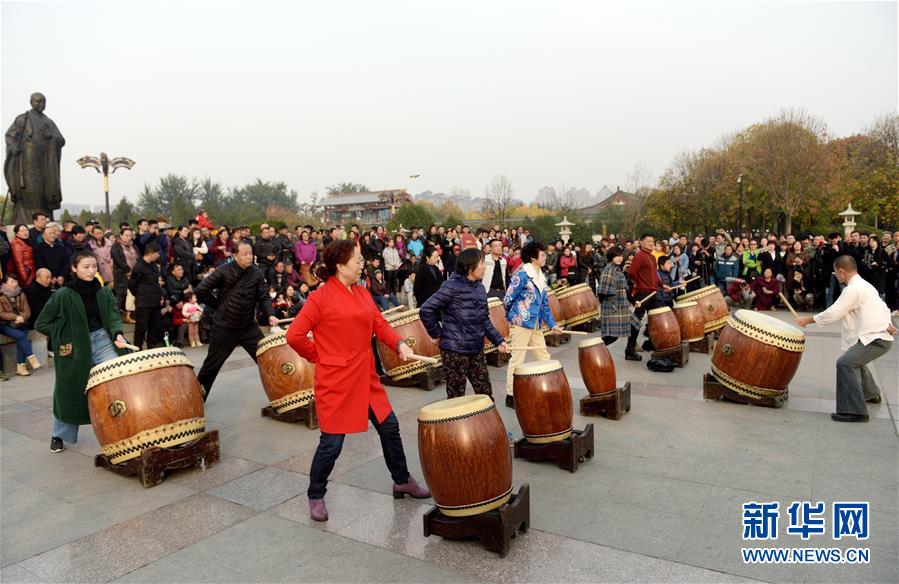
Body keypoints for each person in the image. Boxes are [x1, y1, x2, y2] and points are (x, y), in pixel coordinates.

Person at [285, 240, 430, 522]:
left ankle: (401, 480)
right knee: (332, 444)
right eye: (357, 260)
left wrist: (399, 344)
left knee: (390, 427)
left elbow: (380, 324)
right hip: (336, 381)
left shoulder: (363, 293)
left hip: (365, 376)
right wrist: (321, 355)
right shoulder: (320, 297)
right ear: (340, 266)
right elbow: (295, 336)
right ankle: (316, 493)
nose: (362, 263)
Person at [35, 251, 130, 452]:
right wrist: (64, 334)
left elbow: (113, 316)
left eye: (94, 266)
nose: (91, 270)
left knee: (119, 379)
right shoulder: (62, 295)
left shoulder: (104, 292)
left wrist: (118, 334)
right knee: (69, 392)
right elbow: (41, 323)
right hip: (75, 348)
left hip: (103, 341)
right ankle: (59, 436)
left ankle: (123, 427)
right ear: (74, 268)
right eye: (86, 267)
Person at [795, 255, 896, 422]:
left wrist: (807, 320)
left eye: (836, 273)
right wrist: (888, 324)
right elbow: (883, 308)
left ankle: (855, 411)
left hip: (876, 338)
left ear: (842, 271)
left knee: (846, 363)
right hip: (876, 335)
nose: (837, 276)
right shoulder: (865, 285)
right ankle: (871, 394)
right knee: (854, 359)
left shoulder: (853, 289)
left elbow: (834, 312)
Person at [420, 248, 510, 399]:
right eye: (481, 263)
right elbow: (426, 309)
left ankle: (484, 423)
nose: (484, 266)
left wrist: (498, 340)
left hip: (476, 349)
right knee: (456, 398)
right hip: (454, 351)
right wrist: (436, 334)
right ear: (469, 266)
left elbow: (484, 320)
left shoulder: (480, 288)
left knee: (485, 394)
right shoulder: (451, 286)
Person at [195, 241, 279, 400]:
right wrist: (218, 305)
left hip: (248, 326)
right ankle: (197, 398)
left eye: (251, 253)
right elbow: (201, 290)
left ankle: (281, 392)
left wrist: (270, 314)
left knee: (266, 358)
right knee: (211, 365)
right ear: (235, 255)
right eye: (245, 254)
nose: (249, 257)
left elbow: (264, 296)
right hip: (225, 327)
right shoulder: (223, 271)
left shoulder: (257, 273)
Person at [504, 241, 563, 408]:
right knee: (517, 359)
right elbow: (508, 299)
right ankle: (511, 395)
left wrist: (552, 325)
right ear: (533, 257)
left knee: (543, 355)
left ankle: (550, 386)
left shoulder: (540, 275)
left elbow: (545, 304)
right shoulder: (521, 275)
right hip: (522, 323)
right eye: (542, 254)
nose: (545, 256)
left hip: (535, 323)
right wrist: (514, 317)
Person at [596, 247, 642, 360]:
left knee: (635, 325)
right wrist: (607, 307)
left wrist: (633, 300)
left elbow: (624, 289)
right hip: (613, 307)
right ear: (611, 257)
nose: (620, 258)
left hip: (622, 305)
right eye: (617, 256)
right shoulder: (608, 271)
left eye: (621, 256)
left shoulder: (617, 269)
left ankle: (630, 351)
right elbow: (602, 293)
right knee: (612, 337)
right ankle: (594, 350)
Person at [626, 233, 667, 352]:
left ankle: (651, 342)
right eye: (648, 241)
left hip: (653, 292)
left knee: (655, 318)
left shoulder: (652, 257)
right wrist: (640, 282)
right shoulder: (639, 256)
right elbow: (632, 272)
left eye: (652, 241)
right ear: (641, 242)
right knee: (637, 320)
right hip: (643, 292)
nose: (651, 243)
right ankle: (631, 347)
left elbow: (654, 274)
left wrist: (662, 284)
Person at [1, 274, 41, 376]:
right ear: (4, 284)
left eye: (16, 281)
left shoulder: (21, 294)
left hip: (20, 323)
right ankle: (31, 357)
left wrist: (22, 317)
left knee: (21, 339)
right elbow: (1, 313)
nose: (15, 284)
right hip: (4, 324)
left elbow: (27, 310)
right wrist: (15, 317)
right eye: (12, 282)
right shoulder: (1, 296)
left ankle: (21, 366)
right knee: (21, 336)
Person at [128, 243, 163, 349]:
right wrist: (140, 294)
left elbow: (156, 282)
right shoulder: (138, 267)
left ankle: (151, 347)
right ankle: (138, 348)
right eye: (157, 253)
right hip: (143, 302)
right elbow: (132, 285)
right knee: (141, 327)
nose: (158, 255)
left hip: (155, 301)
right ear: (151, 253)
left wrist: (160, 296)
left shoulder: (153, 265)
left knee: (154, 326)